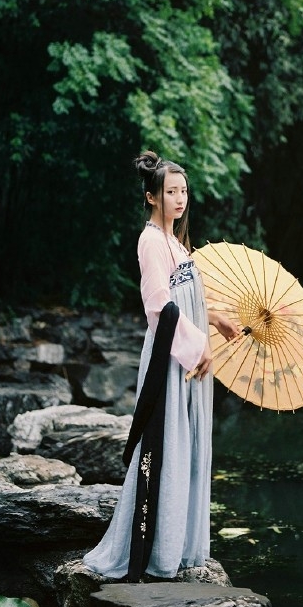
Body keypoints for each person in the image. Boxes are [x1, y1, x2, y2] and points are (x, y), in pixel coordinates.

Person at [82, 150, 240, 582]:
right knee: (167, 442)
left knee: (188, 442)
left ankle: (181, 547)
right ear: (152, 197)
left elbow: (186, 298)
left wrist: (216, 318)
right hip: (172, 356)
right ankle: (157, 550)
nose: (179, 198)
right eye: (171, 192)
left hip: (188, 350)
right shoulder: (150, 241)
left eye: (183, 191)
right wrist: (198, 346)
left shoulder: (176, 242)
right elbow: (158, 307)